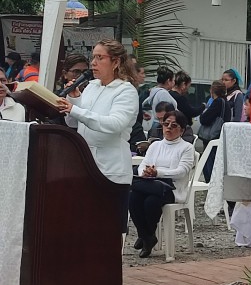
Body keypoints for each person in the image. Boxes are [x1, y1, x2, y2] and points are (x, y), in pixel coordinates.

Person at [55, 39, 139, 232]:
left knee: (108, 231)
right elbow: (74, 123)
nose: (93, 63)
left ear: (116, 62)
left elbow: (114, 124)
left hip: (111, 170)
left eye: (99, 58)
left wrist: (75, 110)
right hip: (86, 166)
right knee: (85, 228)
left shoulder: (125, 91)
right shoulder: (92, 86)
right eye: (93, 57)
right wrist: (74, 99)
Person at [129, 110, 195, 258]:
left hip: (172, 188)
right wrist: (144, 172)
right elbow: (143, 164)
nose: (169, 128)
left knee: (151, 202)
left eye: (174, 125)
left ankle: (145, 236)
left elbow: (182, 172)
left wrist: (158, 173)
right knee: (133, 197)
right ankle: (147, 236)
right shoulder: (155, 145)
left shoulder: (186, 148)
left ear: (182, 130)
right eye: (166, 124)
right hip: (150, 184)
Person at [199, 80, 230, 181]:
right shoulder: (226, 102)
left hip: (212, 136)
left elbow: (204, 119)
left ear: (212, 90)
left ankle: (210, 182)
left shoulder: (217, 103)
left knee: (208, 160)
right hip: (220, 135)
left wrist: (203, 113)